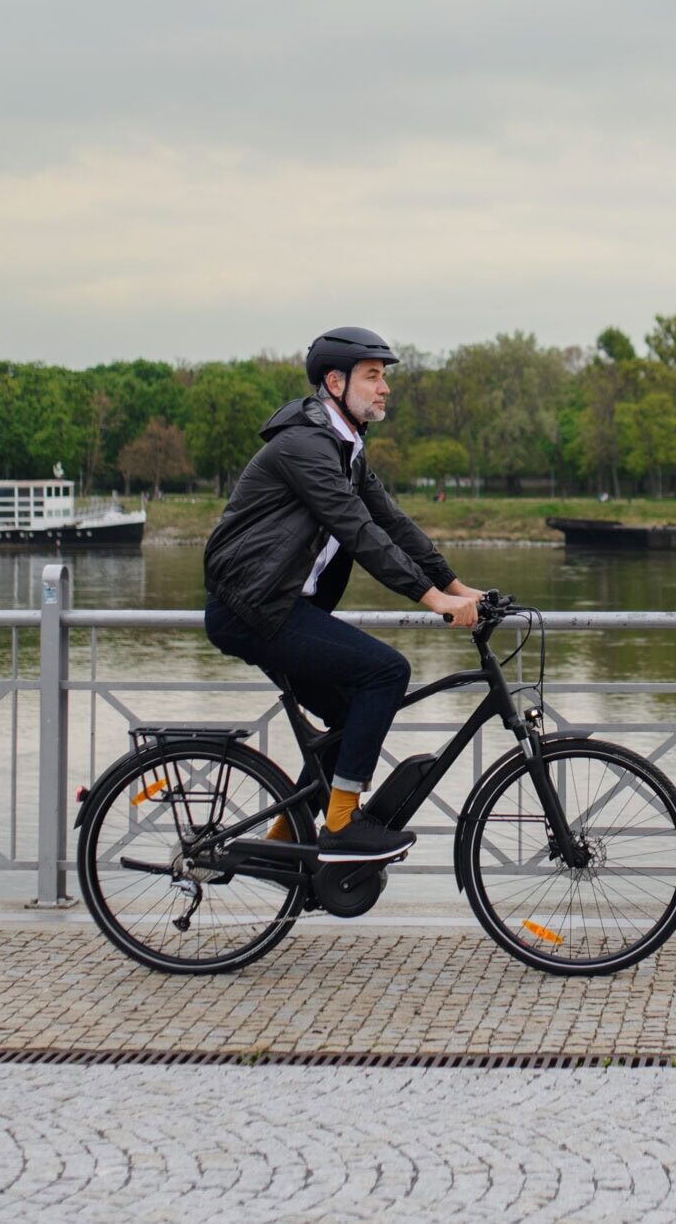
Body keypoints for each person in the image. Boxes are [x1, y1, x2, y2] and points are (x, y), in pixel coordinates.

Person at [200, 326, 488, 862]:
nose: (385, 389)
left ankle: (286, 846)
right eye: (373, 377)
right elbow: (356, 528)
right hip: (253, 610)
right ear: (335, 382)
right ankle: (340, 824)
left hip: (283, 609)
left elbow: (393, 523)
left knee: (356, 711)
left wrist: (457, 587)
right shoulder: (306, 445)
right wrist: (432, 600)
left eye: (384, 378)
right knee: (386, 673)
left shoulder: (347, 448)